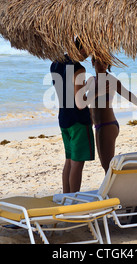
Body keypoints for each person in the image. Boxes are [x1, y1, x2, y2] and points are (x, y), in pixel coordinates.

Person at [76, 56, 137, 173]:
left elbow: (127, 94)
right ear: (93, 62)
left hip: (108, 125)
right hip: (98, 126)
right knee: (105, 166)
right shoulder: (91, 80)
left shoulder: (111, 80)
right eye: (100, 62)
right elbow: (82, 99)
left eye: (106, 63)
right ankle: (110, 190)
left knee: (108, 166)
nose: (103, 65)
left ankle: (113, 190)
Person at [50, 40, 95, 193]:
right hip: (78, 120)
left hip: (63, 116)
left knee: (69, 160)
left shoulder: (56, 63)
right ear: (82, 47)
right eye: (88, 50)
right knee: (77, 163)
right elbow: (80, 102)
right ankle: (74, 200)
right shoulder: (78, 69)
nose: (89, 55)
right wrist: (91, 88)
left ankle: (66, 196)